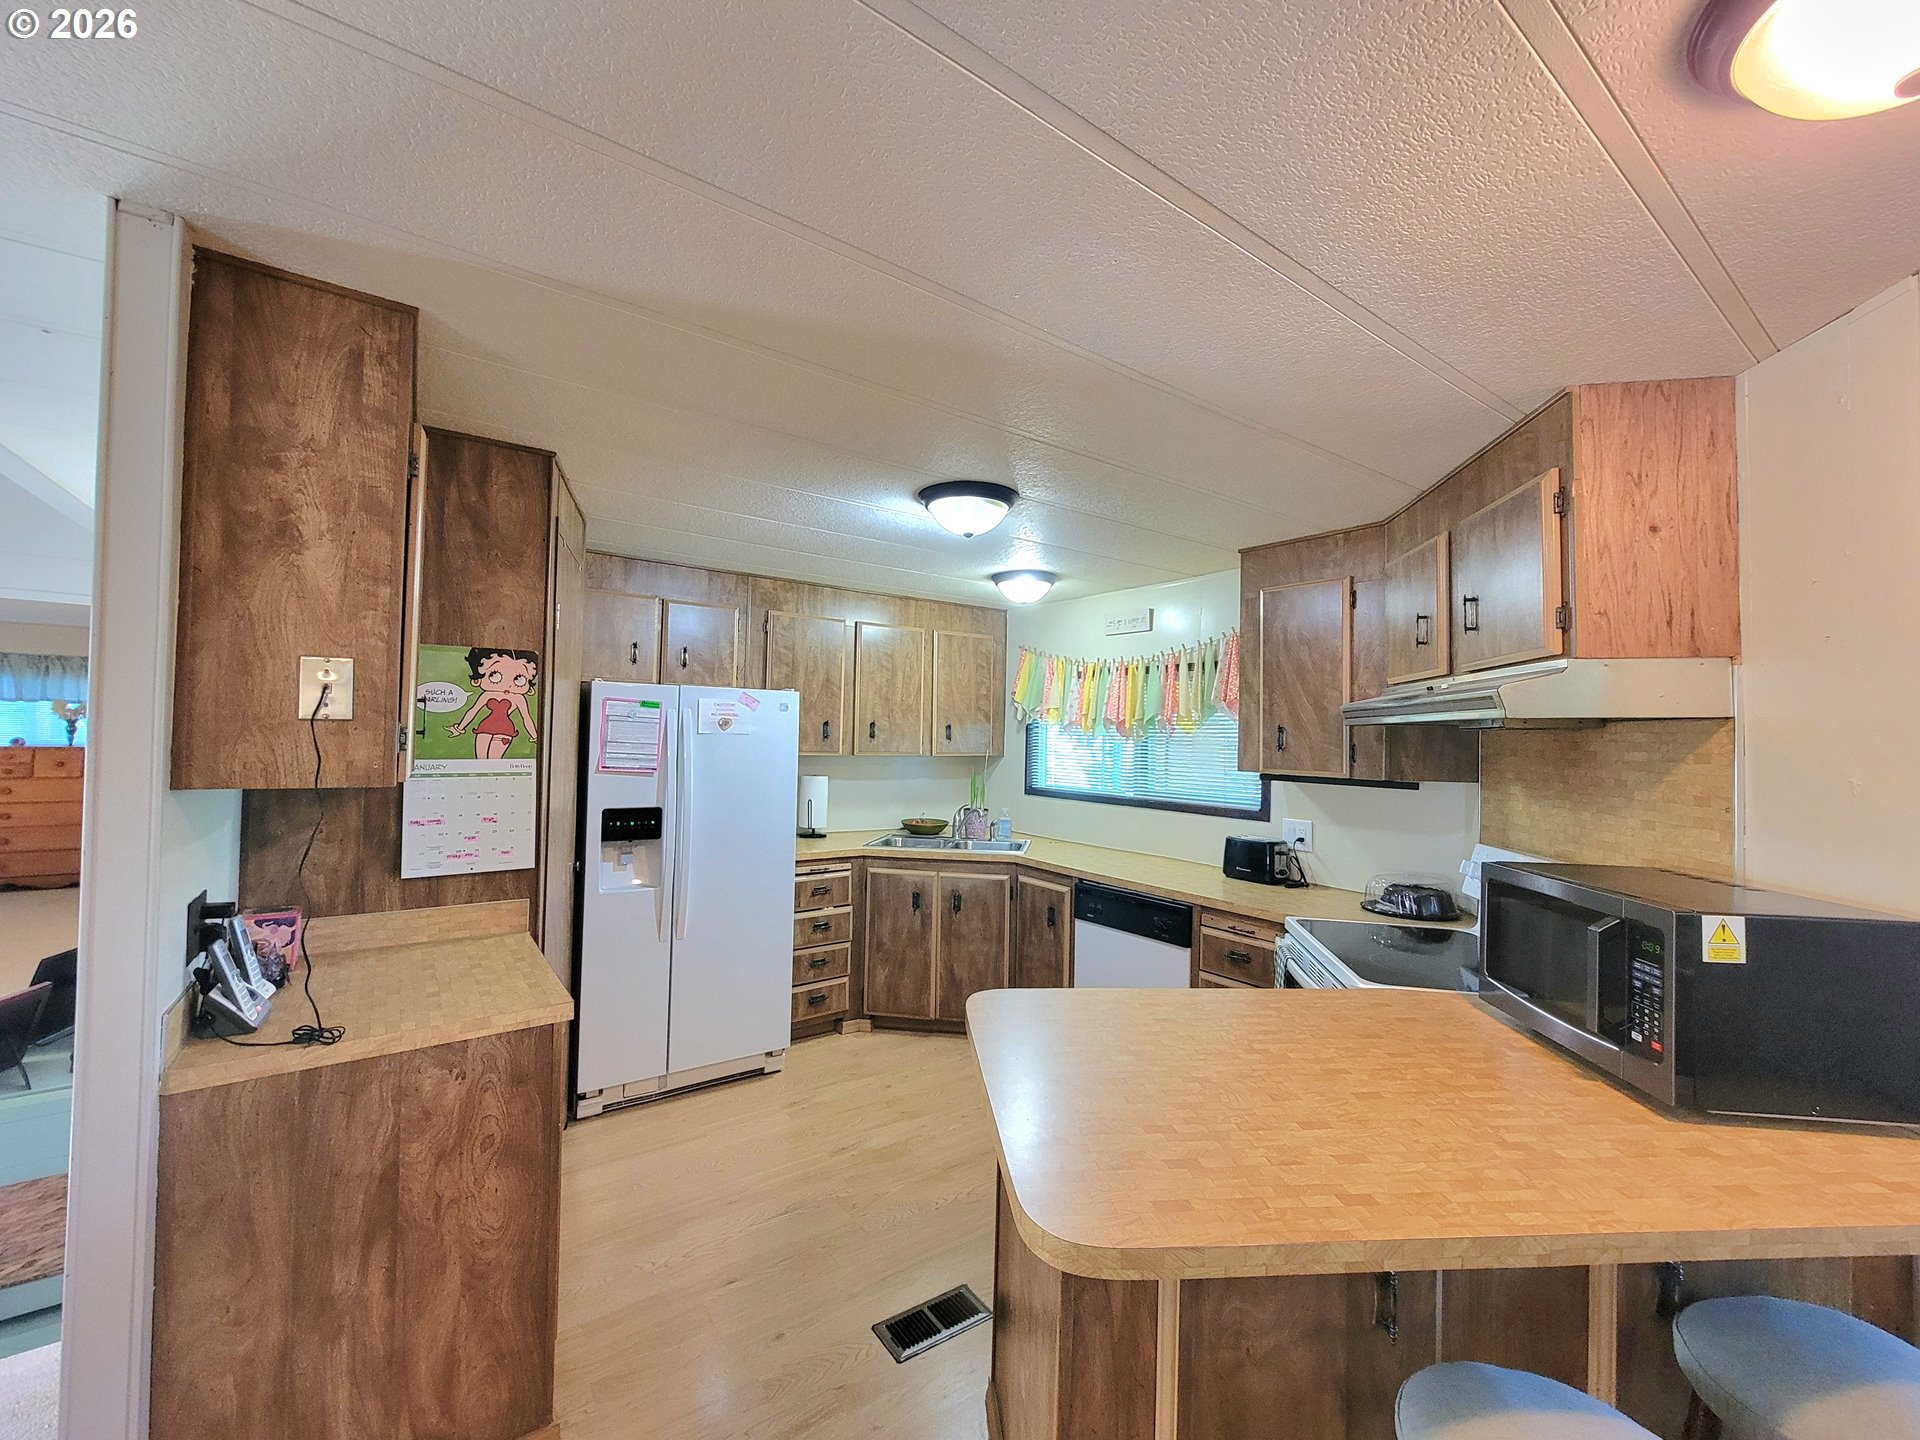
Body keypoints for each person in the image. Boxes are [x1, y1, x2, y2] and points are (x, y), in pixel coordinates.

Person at [448, 647, 539, 762]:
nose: (508, 684)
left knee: (494, 761)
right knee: (481, 760)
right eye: (494, 675)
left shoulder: (518, 698)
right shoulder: (487, 695)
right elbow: (473, 711)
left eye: (519, 679)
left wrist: (535, 736)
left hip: (505, 730)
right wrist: (460, 727)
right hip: (485, 727)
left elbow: (526, 718)